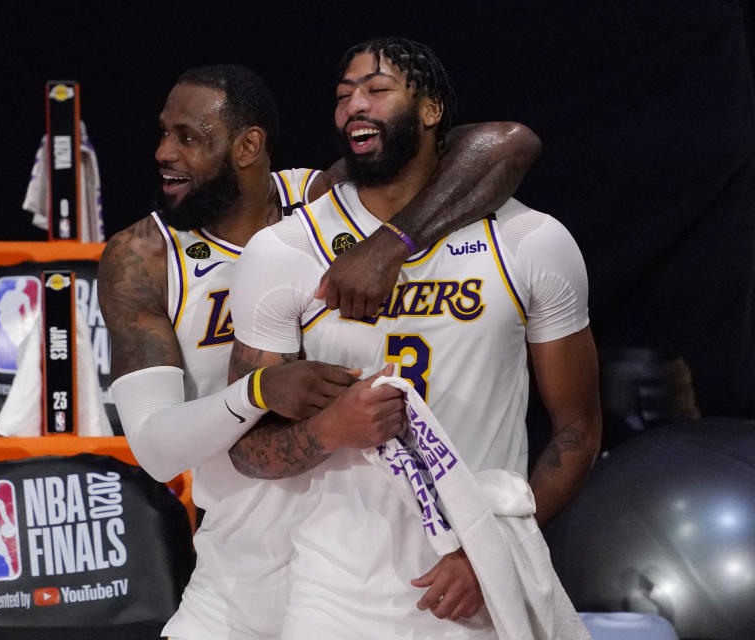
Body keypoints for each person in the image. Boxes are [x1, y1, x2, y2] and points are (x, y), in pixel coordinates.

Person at [99, 63, 540, 639]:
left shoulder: (321, 201)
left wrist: (391, 242)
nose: (163, 152)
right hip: (241, 563)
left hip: (363, 559)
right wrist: (258, 390)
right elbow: (154, 450)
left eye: (187, 137)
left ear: (248, 146)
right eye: (163, 133)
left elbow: (509, 143)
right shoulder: (143, 256)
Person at [227, 37, 601, 638]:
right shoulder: (283, 251)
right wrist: (330, 428)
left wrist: (491, 549)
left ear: (430, 111)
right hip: (333, 593)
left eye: (377, 90)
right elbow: (246, 448)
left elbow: (578, 429)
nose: (354, 105)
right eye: (344, 95)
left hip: (477, 585)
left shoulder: (532, 241)